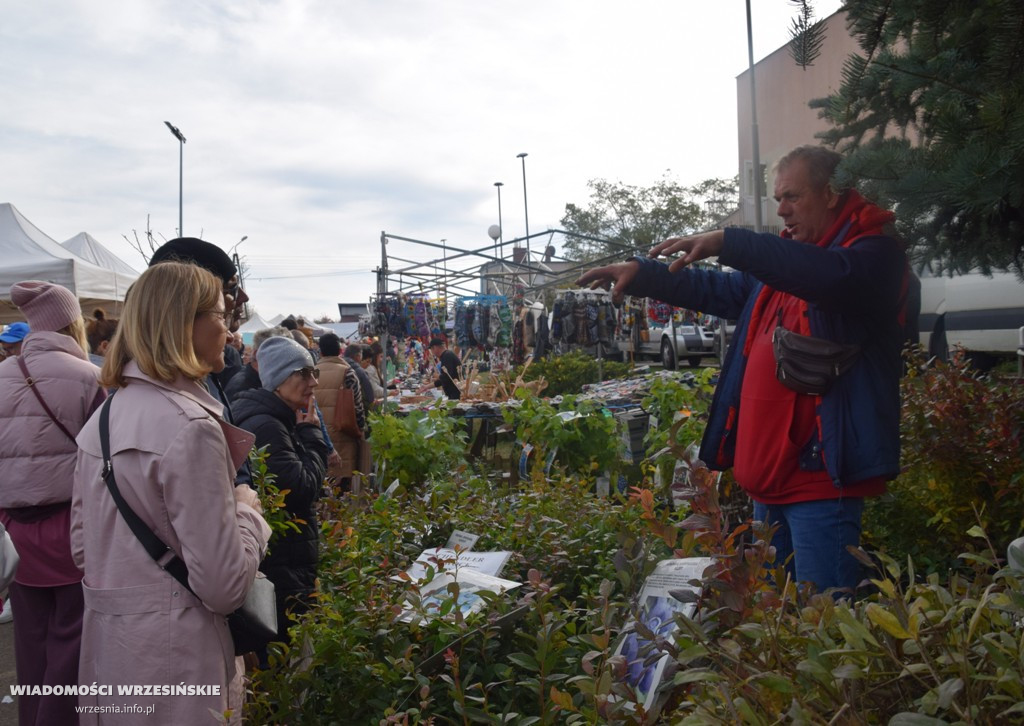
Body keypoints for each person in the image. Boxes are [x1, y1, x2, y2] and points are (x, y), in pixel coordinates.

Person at [578, 146, 907, 594]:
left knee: (821, 623)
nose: (782, 211)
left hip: (819, 482)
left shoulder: (872, 256)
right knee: (771, 620)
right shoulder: (790, 261)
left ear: (831, 194)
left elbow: (830, 277)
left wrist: (730, 241)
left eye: (792, 197)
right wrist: (642, 273)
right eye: (777, 199)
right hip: (768, 482)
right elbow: (718, 287)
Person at [72, 262, 270, 724]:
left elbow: (83, 550)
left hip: (112, 650)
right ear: (185, 324)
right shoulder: (191, 429)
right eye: (220, 315)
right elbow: (223, 587)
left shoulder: (102, 420)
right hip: (179, 659)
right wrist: (248, 515)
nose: (228, 329)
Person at [0, 282, 102, 726]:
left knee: (30, 641)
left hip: (14, 533)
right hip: (73, 528)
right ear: (71, 322)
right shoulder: (88, 377)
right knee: (73, 642)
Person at [232, 336, 328, 644]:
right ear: (277, 380)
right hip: (285, 560)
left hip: (287, 558)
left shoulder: (276, 418)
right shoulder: (269, 426)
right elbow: (302, 487)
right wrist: (312, 435)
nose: (313, 382)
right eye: (303, 373)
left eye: (314, 372)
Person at [314, 333, 367, 493]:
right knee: (342, 493)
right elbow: (358, 408)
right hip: (344, 436)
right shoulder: (347, 373)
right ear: (339, 351)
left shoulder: (310, 372)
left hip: (317, 438)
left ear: (320, 351)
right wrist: (360, 431)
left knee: (322, 490)